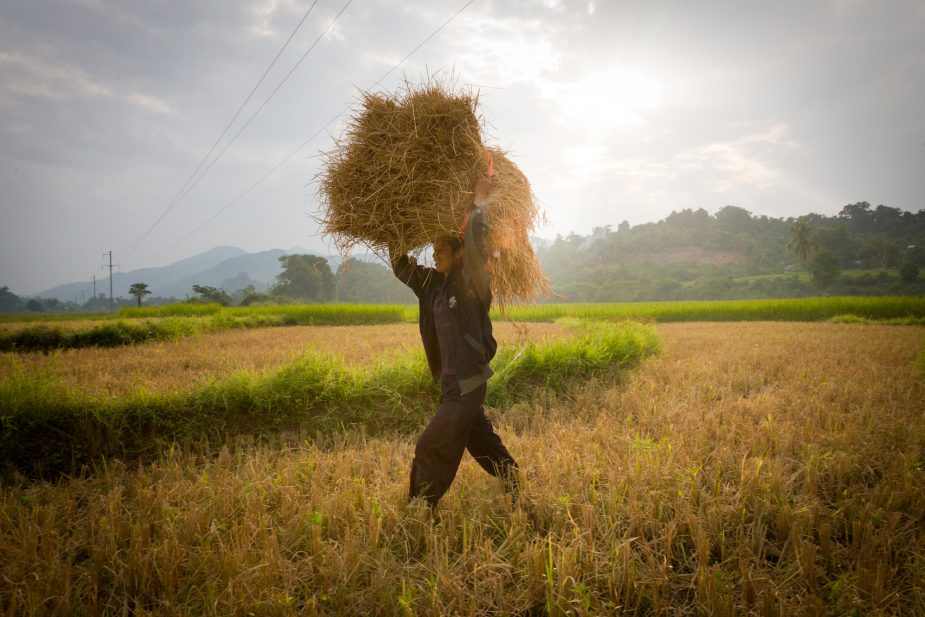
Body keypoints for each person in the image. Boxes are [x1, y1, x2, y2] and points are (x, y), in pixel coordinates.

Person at [390, 175, 519, 511]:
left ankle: (421, 506)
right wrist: (394, 231)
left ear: (458, 253)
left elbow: (477, 248)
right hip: (449, 382)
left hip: (468, 381)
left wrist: (479, 202)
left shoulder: (471, 282)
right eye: (433, 251)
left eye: (442, 250)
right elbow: (402, 267)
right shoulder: (432, 285)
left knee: (433, 442)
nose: (435, 256)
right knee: (479, 438)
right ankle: (513, 480)